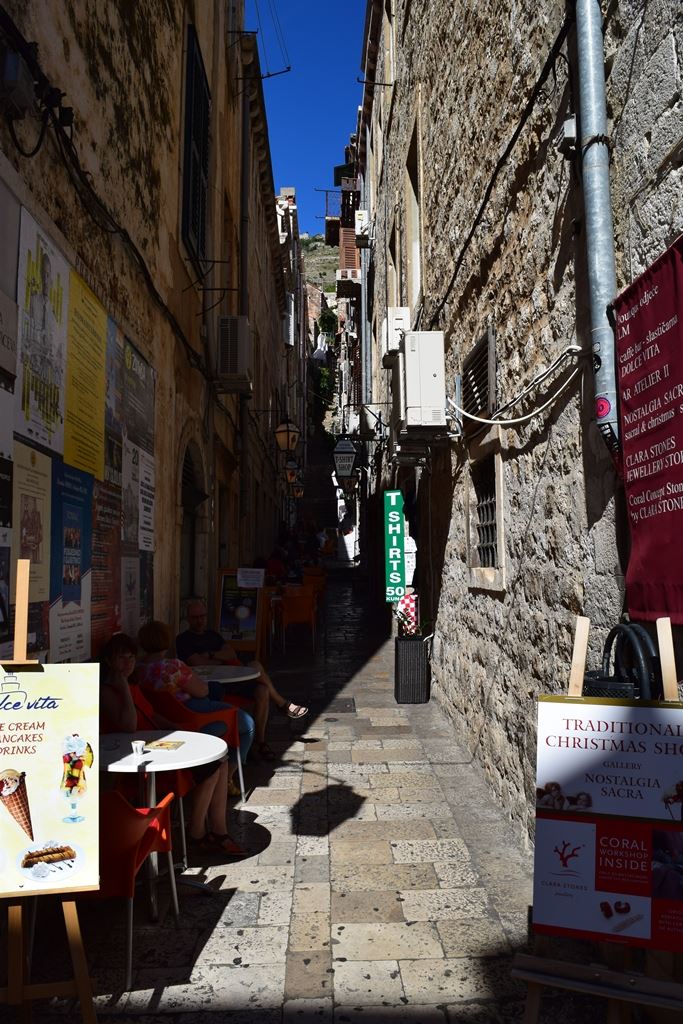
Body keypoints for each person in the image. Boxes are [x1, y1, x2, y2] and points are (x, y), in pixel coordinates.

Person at [99, 633, 244, 856]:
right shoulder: (108, 691)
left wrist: (176, 729)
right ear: (109, 661)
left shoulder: (133, 685)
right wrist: (124, 689)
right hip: (139, 761)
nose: (127, 664)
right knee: (212, 767)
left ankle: (219, 830)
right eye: (121, 658)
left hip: (157, 744)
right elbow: (128, 725)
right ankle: (197, 833)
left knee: (221, 760)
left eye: (131, 658)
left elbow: (152, 714)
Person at [135, 620, 254, 800]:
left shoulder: (138, 670)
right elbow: (202, 691)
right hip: (193, 718)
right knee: (247, 724)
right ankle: (228, 777)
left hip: (163, 723)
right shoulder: (172, 667)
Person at [176, 600, 308, 761]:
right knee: (257, 674)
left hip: (231, 679)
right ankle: (282, 704)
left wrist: (210, 655)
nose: (199, 620)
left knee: (260, 681)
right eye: (195, 617)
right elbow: (197, 662)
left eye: (202, 616)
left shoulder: (213, 635)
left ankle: (260, 741)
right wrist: (219, 658)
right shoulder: (183, 639)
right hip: (210, 686)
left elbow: (231, 654)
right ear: (188, 618)